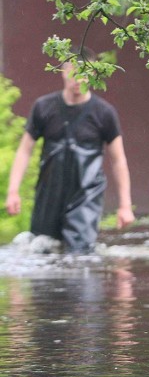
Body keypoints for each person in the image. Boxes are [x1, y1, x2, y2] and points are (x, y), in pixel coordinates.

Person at [5, 46, 135, 253]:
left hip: (86, 193)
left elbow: (118, 160)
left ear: (93, 74)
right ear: (63, 71)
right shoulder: (44, 107)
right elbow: (24, 151)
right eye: (73, 73)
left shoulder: (104, 113)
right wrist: (13, 191)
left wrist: (125, 205)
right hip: (49, 191)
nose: (78, 80)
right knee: (42, 249)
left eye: (84, 74)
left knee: (79, 253)